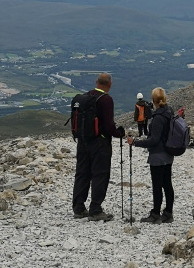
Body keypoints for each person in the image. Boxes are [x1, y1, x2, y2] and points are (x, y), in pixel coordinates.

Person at [72, 72, 124, 221]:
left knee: (82, 173)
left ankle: (79, 208)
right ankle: (95, 209)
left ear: (96, 82)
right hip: (99, 144)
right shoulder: (106, 100)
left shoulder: (86, 96)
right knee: (100, 174)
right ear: (110, 84)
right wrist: (118, 133)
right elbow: (108, 126)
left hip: (83, 142)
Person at [127, 87, 174, 224]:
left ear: (153, 99)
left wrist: (135, 142)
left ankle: (155, 214)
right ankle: (168, 213)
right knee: (167, 184)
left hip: (157, 155)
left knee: (157, 185)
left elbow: (154, 140)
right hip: (168, 153)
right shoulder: (169, 111)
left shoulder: (158, 117)